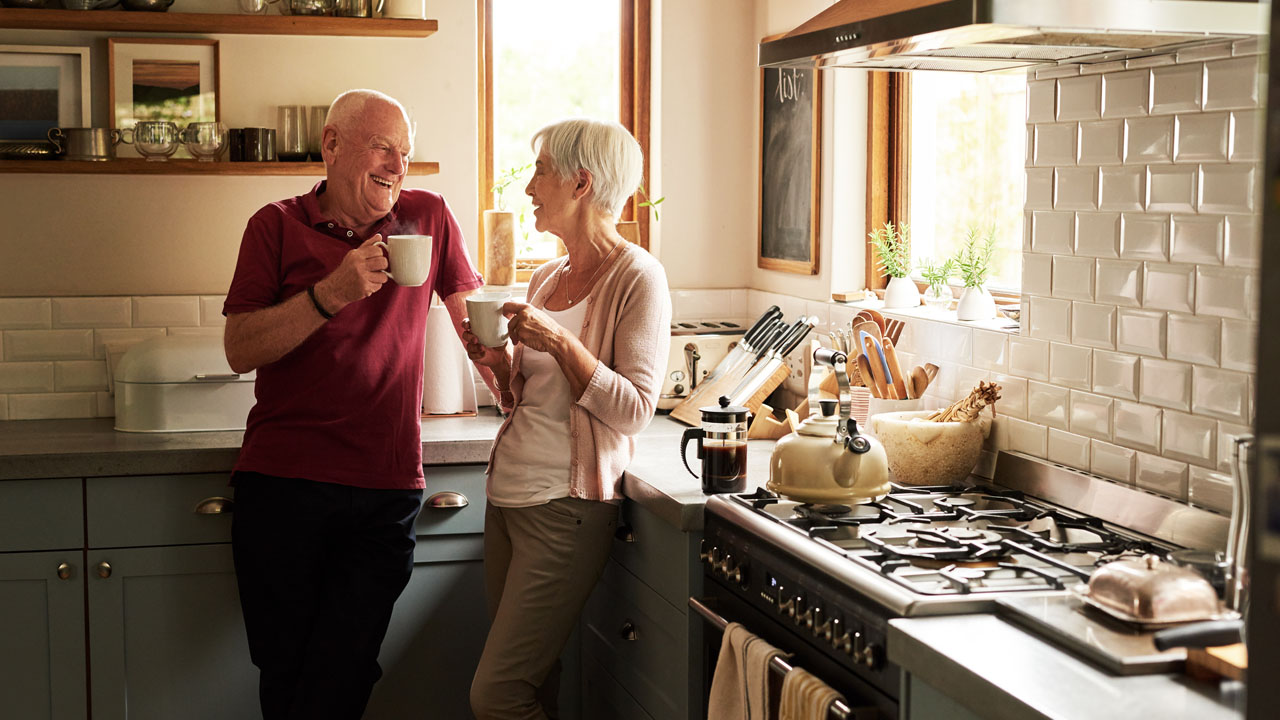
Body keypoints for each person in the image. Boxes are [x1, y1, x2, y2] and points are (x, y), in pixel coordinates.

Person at [222, 88, 494, 720]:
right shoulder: (275, 225)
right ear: (333, 144)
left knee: (343, 672)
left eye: (405, 152)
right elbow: (240, 348)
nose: (398, 166)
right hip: (283, 484)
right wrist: (334, 291)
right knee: (286, 671)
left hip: (384, 487)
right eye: (383, 148)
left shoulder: (428, 217)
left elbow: (470, 323)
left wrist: (514, 372)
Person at [464, 118, 671, 720]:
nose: (529, 187)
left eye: (540, 171)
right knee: (533, 682)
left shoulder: (639, 277)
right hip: (508, 502)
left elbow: (634, 410)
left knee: (497, 695)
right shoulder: (546, 277)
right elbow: (523, 401)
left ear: (581, 183)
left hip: (566, 509)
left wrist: (559, 343)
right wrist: (498, 363)